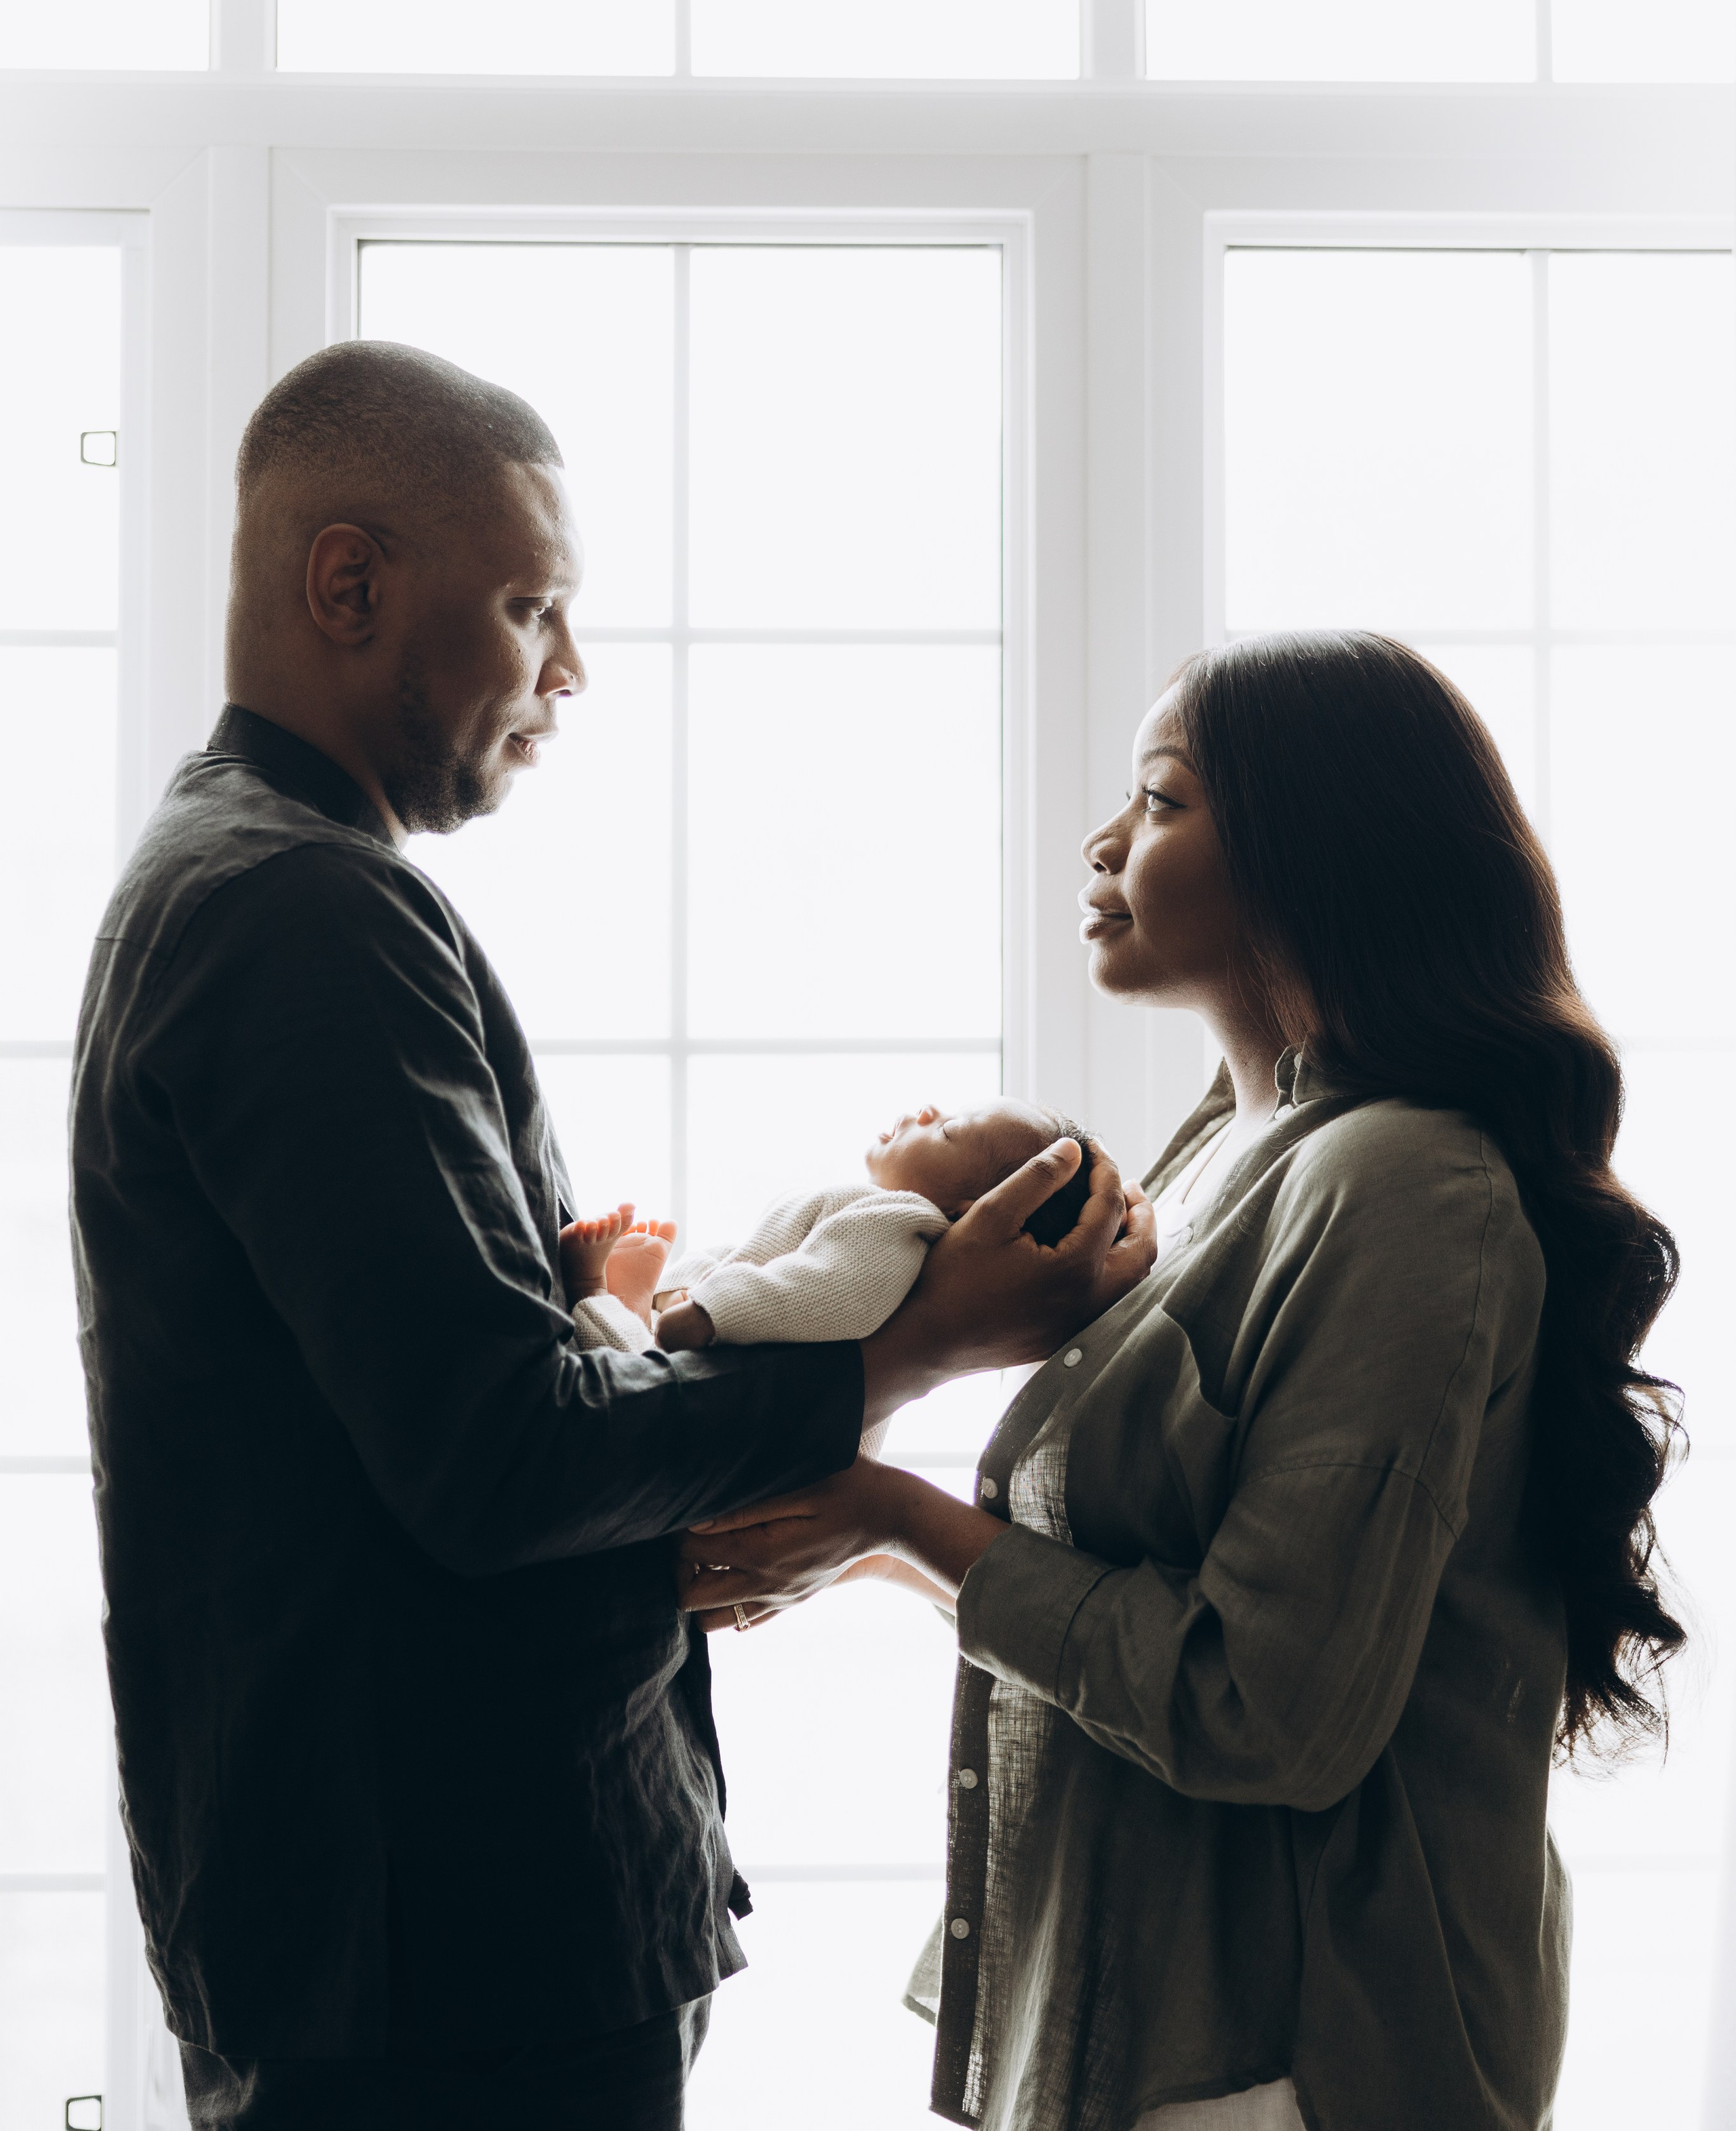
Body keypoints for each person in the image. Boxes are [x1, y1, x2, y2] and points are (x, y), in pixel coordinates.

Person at [69, 340, 1152, 2131]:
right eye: (530, 606)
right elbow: (495, 1457)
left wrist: (568, 1300)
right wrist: (917, 1344)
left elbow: (398, 1406)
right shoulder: (301, 910)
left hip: (405, 1930)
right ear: (348, 585)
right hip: (450, 1953)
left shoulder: (247, 881)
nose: (567, 670)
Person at [676, 630, 1686, 2131]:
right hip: (1158, 2016)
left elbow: (1262, 1708)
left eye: (1158, 800)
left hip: (1299, 2053)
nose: (1103, 844)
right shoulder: (1226, 1155)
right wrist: (865, 1552)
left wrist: (895, 1519)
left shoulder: (1404, 1185)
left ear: (1311, 851)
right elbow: (1150, 1592)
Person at [565, 1097, 1093, 1377]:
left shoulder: (901, 1221)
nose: (929, 1110)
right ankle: (642, 1301)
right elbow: (759, 1259)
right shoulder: (876, 1216)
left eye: (949, 1130)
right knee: (660, 1350)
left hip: (737, 1407)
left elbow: (825, 1291)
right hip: (729, 1366)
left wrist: (707, 1314)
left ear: (972, 1211)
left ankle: (596, 1294)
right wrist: (689, 1283)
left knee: (632, 1385)